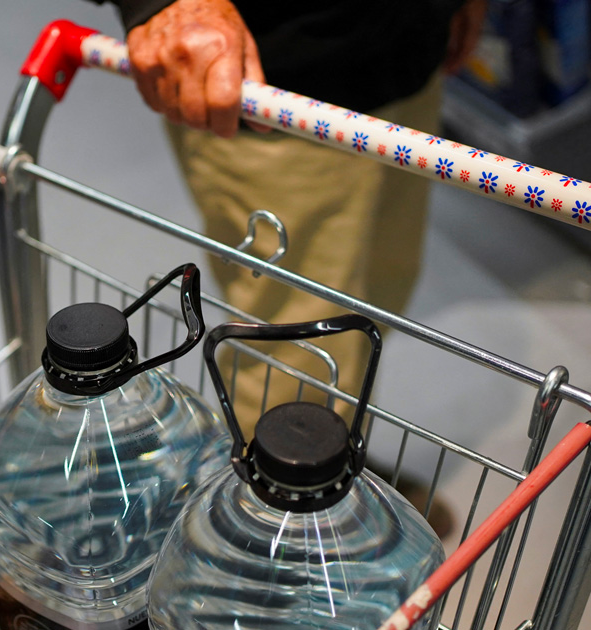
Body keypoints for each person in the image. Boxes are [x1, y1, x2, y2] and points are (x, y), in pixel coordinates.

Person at [86, 0, 486, 536]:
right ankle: (267, 548)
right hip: (272, 88)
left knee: (376, 299)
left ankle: (326, 474)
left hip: (407, 53)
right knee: (291, 352)